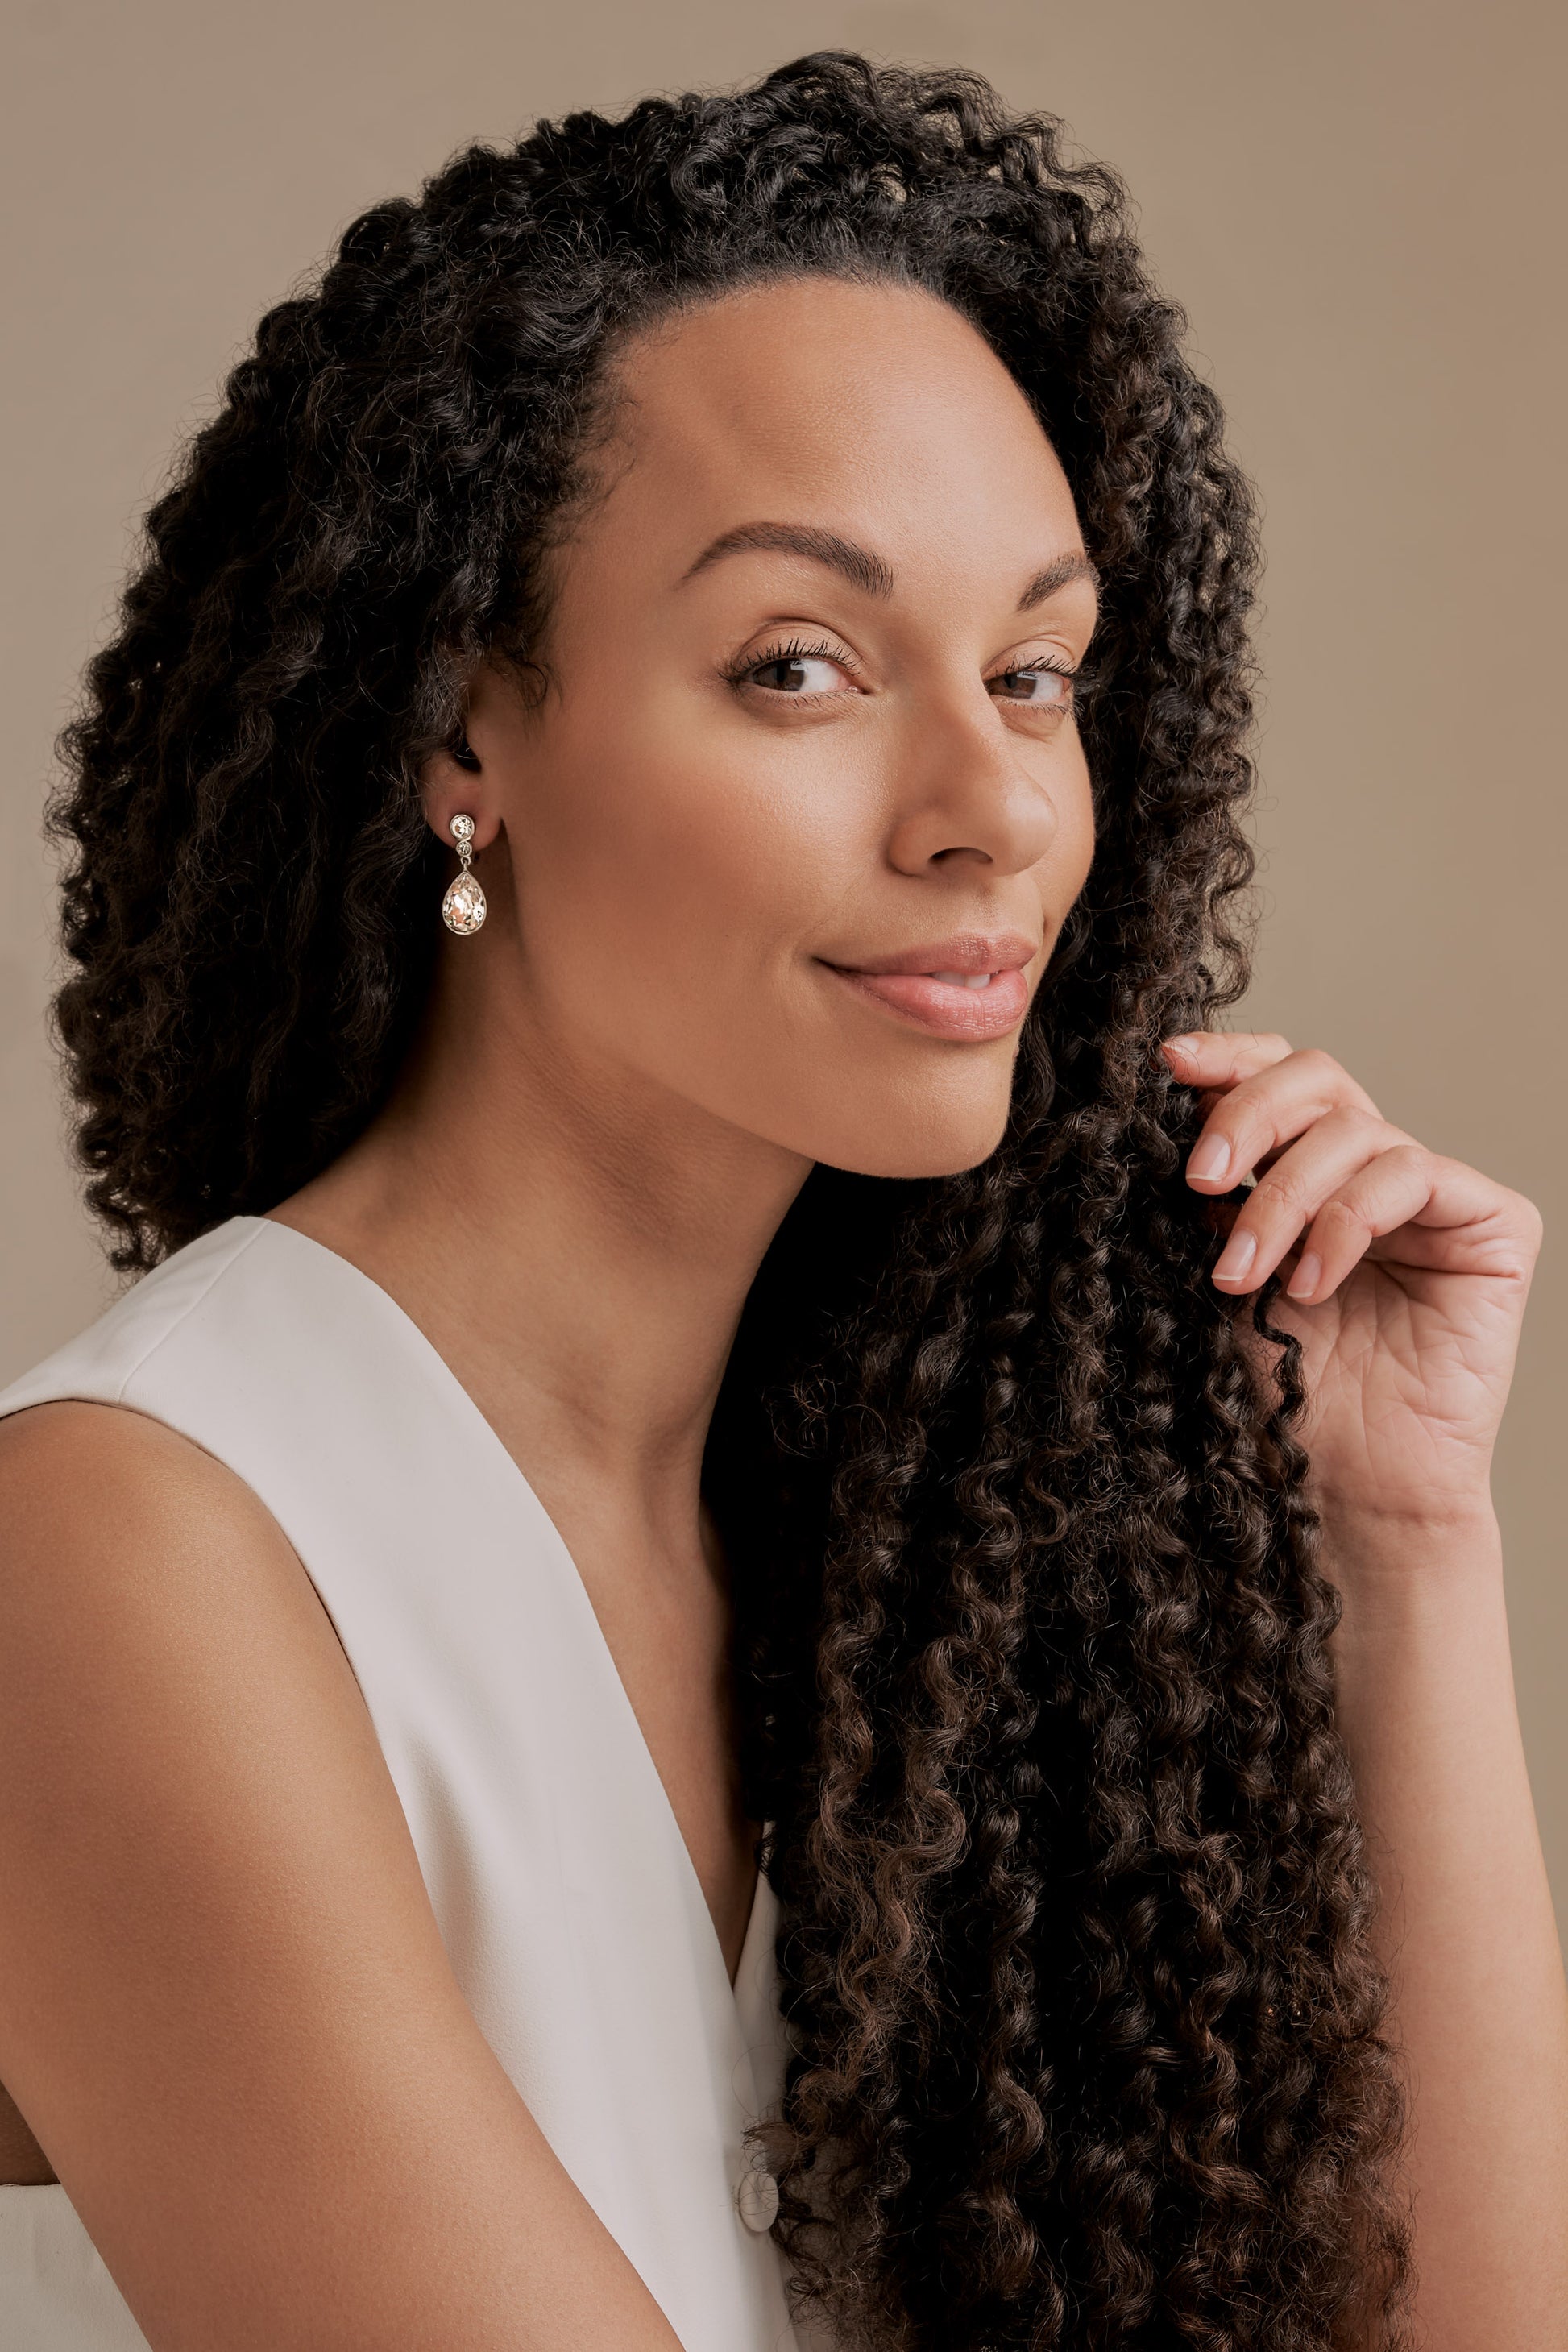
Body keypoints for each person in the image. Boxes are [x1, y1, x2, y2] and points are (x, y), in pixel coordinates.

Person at [0, 50, 1562, 2352]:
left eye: (1035, 673)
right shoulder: (131, 1552)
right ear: (459, 731)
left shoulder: (914, 1552)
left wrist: (1396, 1547)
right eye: (798, 667)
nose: (988, 808)